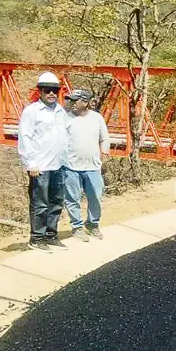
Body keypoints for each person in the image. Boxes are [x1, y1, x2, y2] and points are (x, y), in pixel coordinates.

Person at [18, 72, 69, 251]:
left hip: (58, 165)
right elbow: (25, 137)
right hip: (40, 166)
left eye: (55, 90)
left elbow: (65, 136)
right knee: (40, 203)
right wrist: (31, 163)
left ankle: (51, 235)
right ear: (40, 91)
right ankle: (36, 238)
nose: (52, 93)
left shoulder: (60, 111)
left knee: (56, 201)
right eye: (47, 90)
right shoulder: (31, 111)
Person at [62, 89, 109, 241]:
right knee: (72, 198)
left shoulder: (97, 118)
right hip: (71, 166)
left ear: (86, 102)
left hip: (93, 166)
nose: (72, 103)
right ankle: (77, 227)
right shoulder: (65, 119)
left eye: (75, 101)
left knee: (96, 196)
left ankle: (92, 224)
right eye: (71, 100)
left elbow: (104, 138)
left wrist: (105, 153)